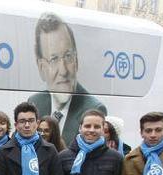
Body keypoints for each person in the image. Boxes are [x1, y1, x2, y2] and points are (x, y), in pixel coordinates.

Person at [29, 12, 107, 143]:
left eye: (68, 56)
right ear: (41, 68)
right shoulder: (35, 103)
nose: (63, 70)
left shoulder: (93, 109)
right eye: (53, 59)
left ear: (76, 61)